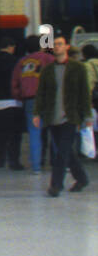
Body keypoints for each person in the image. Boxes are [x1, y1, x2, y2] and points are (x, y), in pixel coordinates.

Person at [33, 42, 90, 196]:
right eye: (55, 45)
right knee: (66, 151)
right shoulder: (47, 70)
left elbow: (84, 92)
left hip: (70, 117)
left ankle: (56, 185)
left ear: (67, 47)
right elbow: (41, 93)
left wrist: (87, 115)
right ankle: (82, 178)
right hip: (53, 116)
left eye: (60, 44)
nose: (57, 47)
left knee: (61, 152)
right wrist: (37, 113)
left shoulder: (78, 68)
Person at [11, 35, 54, 175]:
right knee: (56, 131)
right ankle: (62, 163)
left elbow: (14, 84)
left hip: (30, 100)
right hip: (49, 99)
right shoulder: (48, 59)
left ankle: (36, 166)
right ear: (41, 45)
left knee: (34, 133)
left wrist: (20, 96)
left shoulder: (21, 62)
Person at [0, 38, 24, 170]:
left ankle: (0, 160)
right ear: (10, 47)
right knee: (15, 135)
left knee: (0, 134)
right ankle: (14, 161)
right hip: (13, 101)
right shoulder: (15, 61)